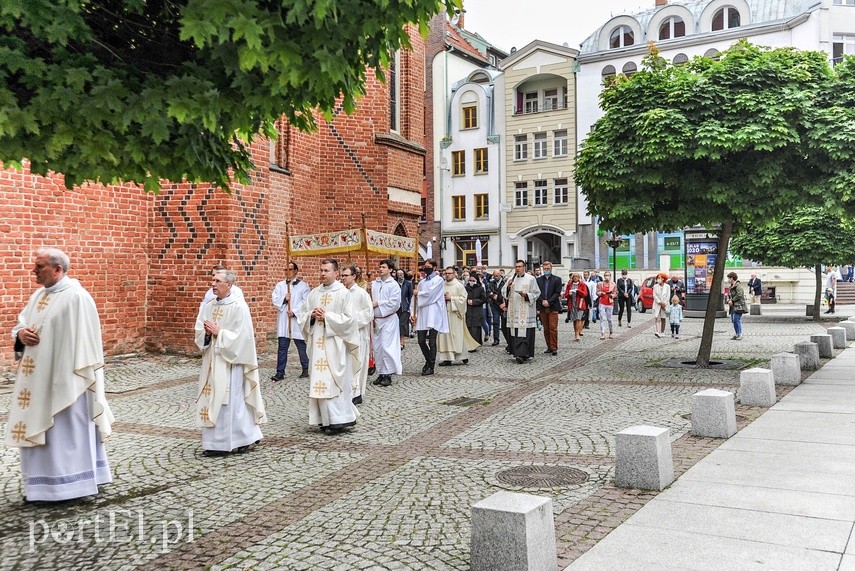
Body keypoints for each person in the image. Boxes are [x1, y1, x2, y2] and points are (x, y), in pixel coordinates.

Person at [6, 248, 114, 501]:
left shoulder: (77, 297)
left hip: (67, 381)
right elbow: (23, 323)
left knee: (66, 431)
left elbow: (86, 344)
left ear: (58, 269)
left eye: (40, 266)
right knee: (40, 428)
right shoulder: (39, 295)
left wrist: (69, 377)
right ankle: (41, 488)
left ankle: (73, 486)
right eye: (35, 265)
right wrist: (20, 335)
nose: (34, 270)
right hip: (36, 381)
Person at [195, 269, 267, 456]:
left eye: (217, 281)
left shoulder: (239, 307)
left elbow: (244, 338)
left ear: (229, 285)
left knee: (231, 403)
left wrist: (221, 333)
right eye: (212, 280)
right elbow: (199, 330)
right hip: (212, 360)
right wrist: (207, 334)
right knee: (212, 399)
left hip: (231, 362)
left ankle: (236, 439)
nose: (213, 284)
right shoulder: (208, 305)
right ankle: (214, 442)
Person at [298, 259, 360, 433]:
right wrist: (311, 315)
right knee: (320, 382)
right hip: (318, 345)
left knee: (334, 381)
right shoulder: (314, 293)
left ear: (336, 274)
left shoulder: (343, 294)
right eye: (321, 270)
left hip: (335, 346)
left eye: (326, 270)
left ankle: (339, 419)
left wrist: (327, 317)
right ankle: (324, 419)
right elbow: (302, 315)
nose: (322, 274)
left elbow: (350, 320)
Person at [271, 262, 310, 381]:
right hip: (284, 320)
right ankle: (280, 372)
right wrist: (284, 299)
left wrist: (294, 311)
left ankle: (306, 368)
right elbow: (275, 299)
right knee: (282, 347)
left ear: (296, 271)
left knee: (301, 346)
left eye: (290, 269)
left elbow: (306, 302)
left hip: (296, 320)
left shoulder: (303, 286)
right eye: (285, 269)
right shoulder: (280, 285)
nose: (287, 272)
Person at [341, 265, 372, 404]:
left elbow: (368, 313)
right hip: (344, 333)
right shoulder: (340, 292)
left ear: (354, 276)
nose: (343, 278)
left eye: (346, 275)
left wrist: (352, 320)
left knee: (358, 362)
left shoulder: (361, 293)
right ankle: (347, 391)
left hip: (358, 332)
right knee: (347, 363)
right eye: (342, 275)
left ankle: (357, 393)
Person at [412, 259, 448, 375]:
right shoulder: (421, 282)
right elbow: (415, 299)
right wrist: (413, 312)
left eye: (428, 266)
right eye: (424, 266)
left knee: (432, 341)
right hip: (423, 313)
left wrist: (419, 294)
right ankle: (428, 360)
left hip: (434, 312)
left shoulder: (439, 280)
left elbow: (431, 295)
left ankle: (431, 366)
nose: (425, 268)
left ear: (434, 267)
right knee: (421, 340)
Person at [370, 260, 402, 387]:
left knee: (386, 346)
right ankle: (381, 372)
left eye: (383, 267)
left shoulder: (393, 285)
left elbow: (394, 303)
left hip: (388, 319)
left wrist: (378, 303)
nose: (381, 269)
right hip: (376, 320)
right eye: (380, 267)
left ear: (390, 270)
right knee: (377, 348)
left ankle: (388, 374)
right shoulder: (374, 284)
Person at [503, 260, 540, 364]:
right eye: (516, 267)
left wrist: (527, 295)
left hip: (526, 310)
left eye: (519, 266)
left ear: (524, 267)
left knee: (524, 333)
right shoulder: (511, 279)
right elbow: (503, 292)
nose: (517, 268)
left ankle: (523, 354)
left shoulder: (531, 279)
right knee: (515, 333)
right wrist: (508, 287)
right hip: (513, 310)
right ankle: (517, 353)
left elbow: (537, 293)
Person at [438, 266, 470, 365]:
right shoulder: (442, 285)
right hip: (444, 315)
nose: (447, 275)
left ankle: (462, 356)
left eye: (449, 273)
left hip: (455, 315)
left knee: (457, 336)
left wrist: (451, 298)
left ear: (454, 274)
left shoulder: (459, 285)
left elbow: (463, 298)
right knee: (445, 336)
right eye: (445, 273)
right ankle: (447, 358)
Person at [536, 261, 562, 355]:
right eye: (545, 269)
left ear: (551, 268)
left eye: (548, 269)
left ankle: (554, 347)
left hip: (553, 306)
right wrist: (542, 300)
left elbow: (557, 292)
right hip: (542, 306)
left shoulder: (557, 279)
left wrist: (549, 301)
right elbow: (537, 292)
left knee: (553, 327)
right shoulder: (538, 280)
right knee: (546, 328)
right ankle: (549, 346)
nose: (546, 270)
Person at [564, 272, 589, 342]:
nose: (575, 278)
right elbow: (566, 295)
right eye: (574, 277)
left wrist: (578, 291)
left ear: (579, 278)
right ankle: (575, 333)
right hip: (572, 304)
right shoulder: (569, 285)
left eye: (577, 277)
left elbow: (585, 294)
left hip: (579, 304)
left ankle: (577, 334)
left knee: (578, 318)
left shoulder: (582, 284)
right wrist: (569, 294)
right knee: (574, 319)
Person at [465, 274, 488, 345]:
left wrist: (474, 302)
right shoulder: (466, 288)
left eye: (473, 280)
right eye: (470, 280)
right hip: (468, 310)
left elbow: (484, 299)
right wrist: (466, 300)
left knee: (476, 328)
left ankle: (476, 343)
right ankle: (469, 343)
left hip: (477, 310)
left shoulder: (480, 288)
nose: (471, 282)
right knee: (469, 327)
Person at [596, 271, 617, 340]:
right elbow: (597, 292)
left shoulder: (613, 284)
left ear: (610, 276)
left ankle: (611, 332)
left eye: (608, 275)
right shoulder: (600, 284)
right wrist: (601, 293)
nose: (607, 276)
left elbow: (615, 293)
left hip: (610, 303)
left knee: (610, 319)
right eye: (605, 275)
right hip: (602, 302)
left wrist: (612, 295)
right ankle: (602, 333)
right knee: (602, 318)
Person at [726, 271, 746, 340]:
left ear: (732, 278)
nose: (728, 280)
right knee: (733, 320)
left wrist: (732, 300)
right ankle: (737, 334)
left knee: (736, 319)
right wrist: (728, 300)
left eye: (729, 278)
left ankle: (740, 334)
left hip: (739, 306)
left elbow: (740, 295)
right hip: (732, 306)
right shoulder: (731, 287)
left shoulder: (738, 286)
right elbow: (729, 295)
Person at [397, 269, 413, 350]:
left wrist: (410, 307)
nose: (400, 275)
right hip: (396, 308)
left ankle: (401, 341)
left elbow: (411, 296)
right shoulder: (395, 283)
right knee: (396, 325)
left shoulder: (408, 283)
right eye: (398, 274)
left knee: (402, 325)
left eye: (401, 274)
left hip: (404, 306)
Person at [652, 273, 670, 338]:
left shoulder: (667, 286)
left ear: (663, 279)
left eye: (660, 278)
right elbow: (654, 295)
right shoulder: (655, 286)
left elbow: (668, 296)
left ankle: (662, 331)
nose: (658, 279)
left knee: (663, 318)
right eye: (658, 278)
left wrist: (664, 303)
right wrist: (660, 302)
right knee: (657, 317)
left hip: (664, 305)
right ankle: (657, 331)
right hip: (657, 304)